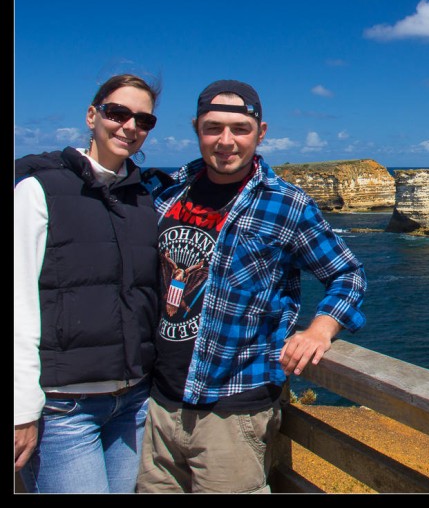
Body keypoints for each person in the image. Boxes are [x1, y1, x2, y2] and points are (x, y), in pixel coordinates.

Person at [135, 79, 367, 493]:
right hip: (156, 404)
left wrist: (320, 329)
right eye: (213, 127)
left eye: (240, 129)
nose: (226, 141)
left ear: (260, 133)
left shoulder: (285, 203)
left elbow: (347, 274)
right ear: (196, 129)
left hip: (231, 411)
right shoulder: (167, 191)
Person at [14, 73, 162, 493]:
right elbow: (17, 301)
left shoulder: (143, 199)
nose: (130, 127)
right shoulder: (38, 189)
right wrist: (21, 409)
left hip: (132, 401)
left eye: (144, 120)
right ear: (92, 115)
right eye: (118, 113)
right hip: (64, 408)